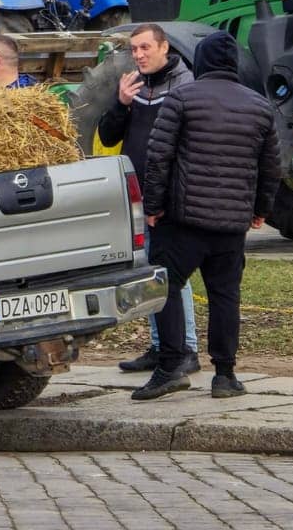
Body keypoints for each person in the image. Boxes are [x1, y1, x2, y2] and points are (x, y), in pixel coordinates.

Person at [134, 31, 279, 400]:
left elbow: (158, 156)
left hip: (184, 222)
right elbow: (271, 167)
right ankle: (226, 376)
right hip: (231, 226)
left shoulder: (182, 97)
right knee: (225, 296)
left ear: (201, 61)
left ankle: (170, 367)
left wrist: (153, 207)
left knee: (164, 286)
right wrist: (260, 210)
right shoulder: (260, 106)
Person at [97, 23, 199, 374]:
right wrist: (121, 104)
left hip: (168, 198)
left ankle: (186, 349)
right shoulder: (135, 88)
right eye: (134, 49)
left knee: (172, 275)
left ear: (164, 47)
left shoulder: (186, 88)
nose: (139, 55)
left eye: (145, 48)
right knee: (149, 272)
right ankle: (161, 346)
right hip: (139, 196)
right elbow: (109, 136)